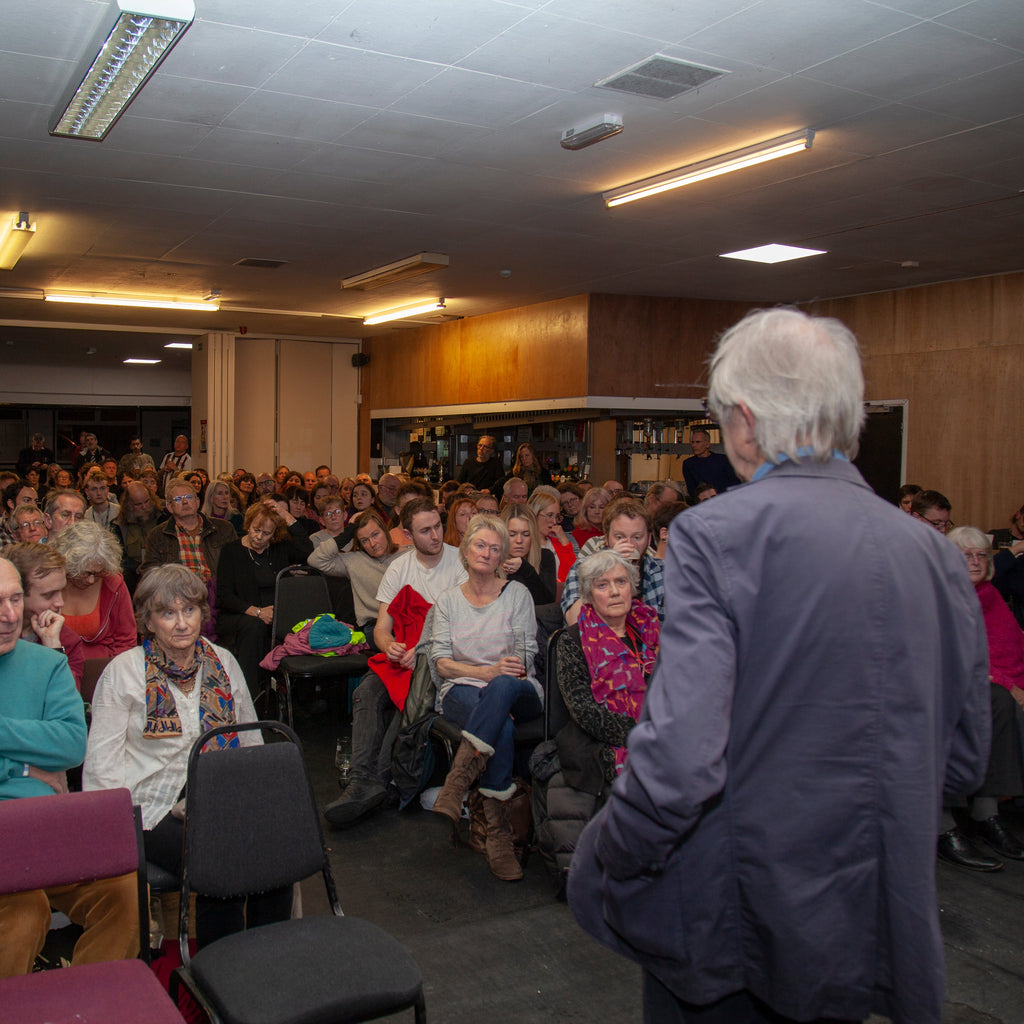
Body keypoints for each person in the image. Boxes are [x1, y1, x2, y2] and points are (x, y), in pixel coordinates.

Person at [567, 307, 990, 1024]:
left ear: (745, 419)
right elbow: (964, 761)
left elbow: (682, 758)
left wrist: (608, 850)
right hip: (864, 917)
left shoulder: (716, 534)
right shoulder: (934, 556)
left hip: (735, 916)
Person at [82, 565, 286, 949]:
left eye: (189, 610)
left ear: (201, 613)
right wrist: (112, 833)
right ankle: (220, 964)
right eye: (167, 613)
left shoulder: (222, 661)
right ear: (148, 621)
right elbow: (101, 766)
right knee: (220, 856)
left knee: (274, 848)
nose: (181, 623)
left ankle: (268, 955)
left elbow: (249, 739)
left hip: (219, 789)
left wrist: (257, 799)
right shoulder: (123, 673)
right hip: (151, 806)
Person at [0, 556, 138, 978]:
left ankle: (86, 1001)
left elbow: (72, 744)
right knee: (24, 915)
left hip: (44, 828)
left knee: (125, 892)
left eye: (15, 599)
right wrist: (26, 770)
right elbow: (52, 744)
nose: (9, 615)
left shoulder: (48, 663)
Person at [322, 498, 466, 828]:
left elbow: (461, 628)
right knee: (366, 693)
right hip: (405, 655)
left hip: (440, 656)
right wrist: (390, 647)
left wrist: (421, 650)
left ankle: (378, 782)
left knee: (408, 704)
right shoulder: (400, 567)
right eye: (425, 531)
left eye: (438, 526)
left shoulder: (459, 562)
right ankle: (362, 781)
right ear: (408, 535)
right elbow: (381, 630)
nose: (436, 535)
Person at [535, 550, 660, 890]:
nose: (615, 591)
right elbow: (583, 710)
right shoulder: (572, 641)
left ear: (633, 587)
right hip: (601, 739)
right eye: (603, 585)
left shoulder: (654, 632)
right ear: (589, 595)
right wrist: (640, 734)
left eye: (621, 582)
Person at [430, 515, 541, 882]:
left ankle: (457, 781)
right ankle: (498, 836)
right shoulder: (448, 600)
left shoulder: (517, 594)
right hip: (462, 689)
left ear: (502, 557)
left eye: (495, 548)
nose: (487, 553)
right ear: (465, 551)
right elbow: (441, 663)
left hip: (517, 689)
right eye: (480, 545)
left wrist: (498, 676)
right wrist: (486, 673)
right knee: (501, 727)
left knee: (503, 689)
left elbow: (524, 658)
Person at [938, 527, 1024, 870]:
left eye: (981, 555)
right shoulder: (940, 595)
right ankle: (944, 825)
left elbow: (1012, 648)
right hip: (937, 681)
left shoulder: (989, 595)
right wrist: (1005, 682)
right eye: (966, 555)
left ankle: (986, 813)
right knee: (978, 704)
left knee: (999, 701)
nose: (975, 561)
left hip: (983, 681)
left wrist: (1009, 682)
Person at [215, 503, 314, 694]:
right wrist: (258, 612)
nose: (259, 537)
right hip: (240, 614)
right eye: (256, 530)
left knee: (305, 626)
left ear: (275, 534)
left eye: (266, 533)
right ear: (248, 525)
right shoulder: (231, 551)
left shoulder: (279, 548)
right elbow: (224, 596)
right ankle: (250, 695)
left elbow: (307, 551)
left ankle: (294, 695)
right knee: (255, 627)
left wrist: (286, 515)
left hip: (276, 615)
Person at [562, 497, 664, 624]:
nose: (629, 544)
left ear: (649, 540)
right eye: (619, 537)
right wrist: (605, 567)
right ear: (606, 538)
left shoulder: (663, 572)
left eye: (637, 537)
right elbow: (574, 620)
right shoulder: (582, 568)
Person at [307, 508, 404, 637]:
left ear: (385, 531)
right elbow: (315, 560)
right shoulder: (354, 560)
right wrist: (348, 531)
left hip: (407, 621)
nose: (372, 543)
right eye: (365, 540)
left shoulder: (407, 555)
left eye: (375, 535)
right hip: (374, 625)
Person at [2, 542, 85, 690]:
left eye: (62, 591)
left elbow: (67, 696)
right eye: (48, 595)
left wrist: (53, 647)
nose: (60, 602)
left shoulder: (67, 640)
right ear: (19, 593)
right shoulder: (4, 637)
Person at [49, 521, 136, 662]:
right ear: (67, 565)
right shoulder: (49, 584)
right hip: (57, 664)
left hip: (103, 667)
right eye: (85, 573)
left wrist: (111, 669)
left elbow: (126, 640)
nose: (91, 580)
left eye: (98, 573)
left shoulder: (113, 585)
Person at [139, 476, 237, 582]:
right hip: (177, 589)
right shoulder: (157, 535)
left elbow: (237, 564)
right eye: (178, 499)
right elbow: (149, 572)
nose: (185, 502)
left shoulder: (224, 528)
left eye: (189, 497)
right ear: (169, 507)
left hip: (216, 588)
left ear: (197, 502)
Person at [112, 482, 163, 595]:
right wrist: (137, 567)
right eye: (138, 504)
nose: (144, 507)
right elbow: (119, 556)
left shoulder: (163, 517)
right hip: (133, 574)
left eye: (147, 501)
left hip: (160, 570)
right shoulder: (119, 525)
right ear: (129, 505)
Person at [501, 502, 555, 605]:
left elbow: (547, 603)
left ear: (533, 536)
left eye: (526, 534)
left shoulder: (545, 557)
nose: (519, 540)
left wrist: (525, 569)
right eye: (512, 534)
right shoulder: (493, 561)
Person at [681, 427, 740, 497]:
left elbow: (734, 483)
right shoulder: (688, 464)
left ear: (707, 444)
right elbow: (692, 489)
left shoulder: (723, 460)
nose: (694, 445)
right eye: (692, 442)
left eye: (698, 442)